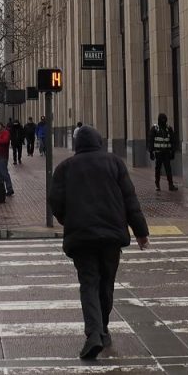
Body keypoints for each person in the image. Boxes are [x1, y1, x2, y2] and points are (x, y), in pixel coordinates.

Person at [48, 124, 150, 361]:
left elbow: (56, 201)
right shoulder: (114, 163)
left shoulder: (65, 168)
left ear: (77, 145)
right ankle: (102, 330)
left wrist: (68, 219)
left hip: (82, 236)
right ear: (98, 141)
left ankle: (94, 333)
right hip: (111, 236)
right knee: (106, 283)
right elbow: (130, 200)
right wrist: (141, 233)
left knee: (89, 283)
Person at [148, 112, 178, 191]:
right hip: (158, 153)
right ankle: (157, 184)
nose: (163, 120)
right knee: (158, 169)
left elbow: (173, 141)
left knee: (168, 169)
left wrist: (173, 151)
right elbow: (151, 141)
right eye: (162, 119)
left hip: (166, 153)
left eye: (164, 119)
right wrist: (151, 152)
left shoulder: (169, 129)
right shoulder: (155, 129)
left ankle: (170, 185)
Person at [0, 120, 15, 195]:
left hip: (2, 155)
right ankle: (2, 188)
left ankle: (9, 188)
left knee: (3, 172)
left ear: (0, 126)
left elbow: (5, 141)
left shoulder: (6, 133)